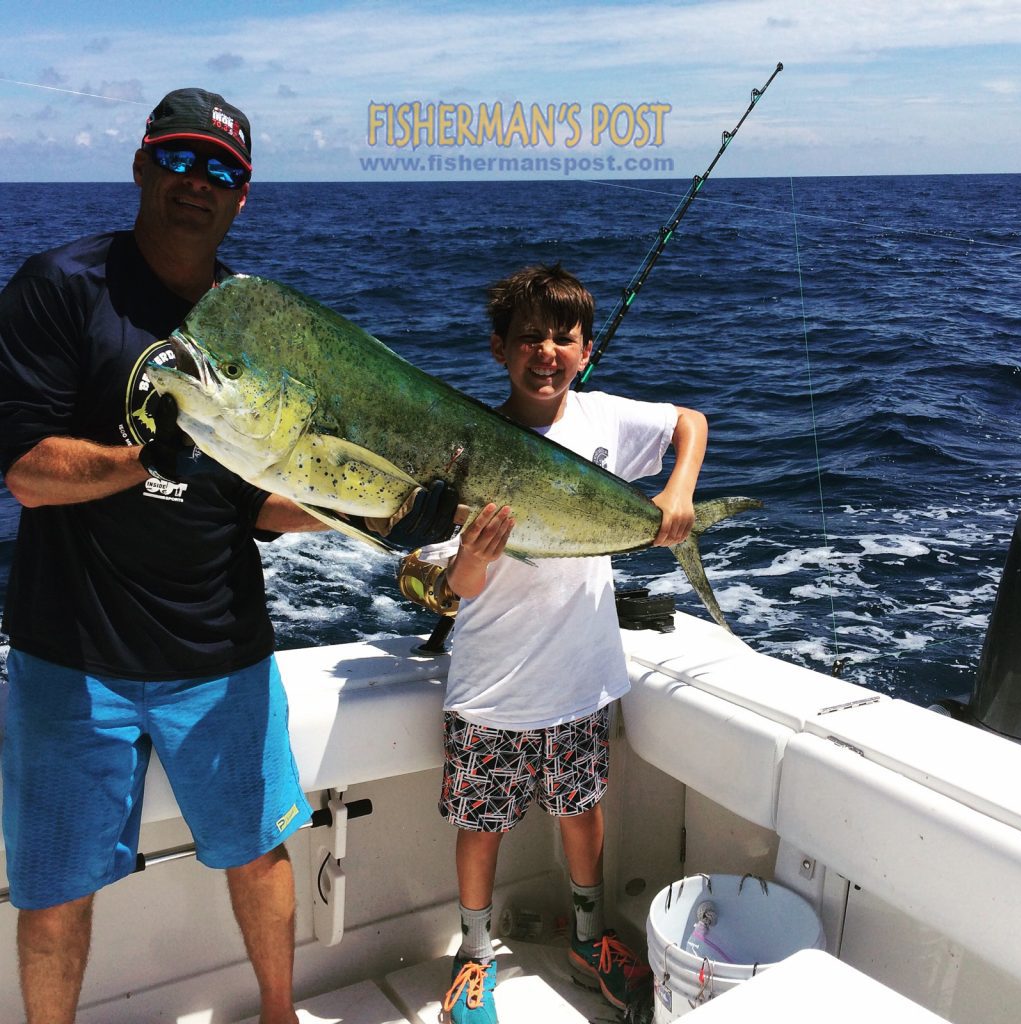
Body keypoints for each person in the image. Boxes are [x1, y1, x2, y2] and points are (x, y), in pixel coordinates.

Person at [0, 88, 457, 1024]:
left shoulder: (252, 326)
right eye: (178, 158)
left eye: (221, 170)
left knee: (258, 851)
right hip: (70, 653)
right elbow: (26, 474)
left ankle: (280, 1016)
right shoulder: (59, 287)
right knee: (52, 889)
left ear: (242, 196)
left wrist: (383, 523)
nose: (194, 182)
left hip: (220, 652)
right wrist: (144, 458)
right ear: (140, 164)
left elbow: (261, 498)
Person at [411, 264, 708, 1023]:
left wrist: (675, 495)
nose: (545, 351)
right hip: (492, 687)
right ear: (498, 350)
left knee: (583, 814)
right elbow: (458, 584)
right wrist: (472, 559)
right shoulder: (467, 445)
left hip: (581, 679)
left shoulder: (604, 420)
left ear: (584, 352)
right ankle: (474, 952)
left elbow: (689, 422)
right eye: (528, 338)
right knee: (482, 827)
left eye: (563, 338)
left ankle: (588, 938)